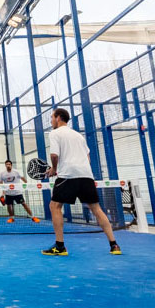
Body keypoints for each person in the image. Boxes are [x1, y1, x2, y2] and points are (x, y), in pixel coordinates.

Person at [42, 108, 121, 256]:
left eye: (52, 117)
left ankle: (60, 246)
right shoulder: (79, 136)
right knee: (96, 209)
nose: (51, 121)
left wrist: (54, 169)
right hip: (86, 175)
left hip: (67, 175)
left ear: (58, 118)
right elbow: (88, 156)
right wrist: (80, 168)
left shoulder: (54, 133)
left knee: (55, 206)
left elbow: (54, 155)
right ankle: (114, 245)